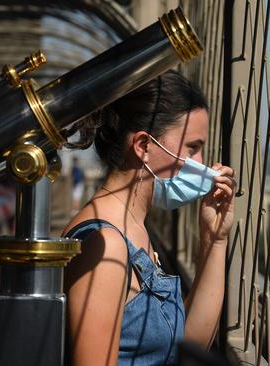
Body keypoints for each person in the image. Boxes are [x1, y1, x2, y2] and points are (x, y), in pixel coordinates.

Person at [62, 70, 235, 365]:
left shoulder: (130, 228)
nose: (202, 165)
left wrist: (214, 239)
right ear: (143, 146)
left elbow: (185, 347)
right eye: (192, 147)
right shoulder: (103, 246)